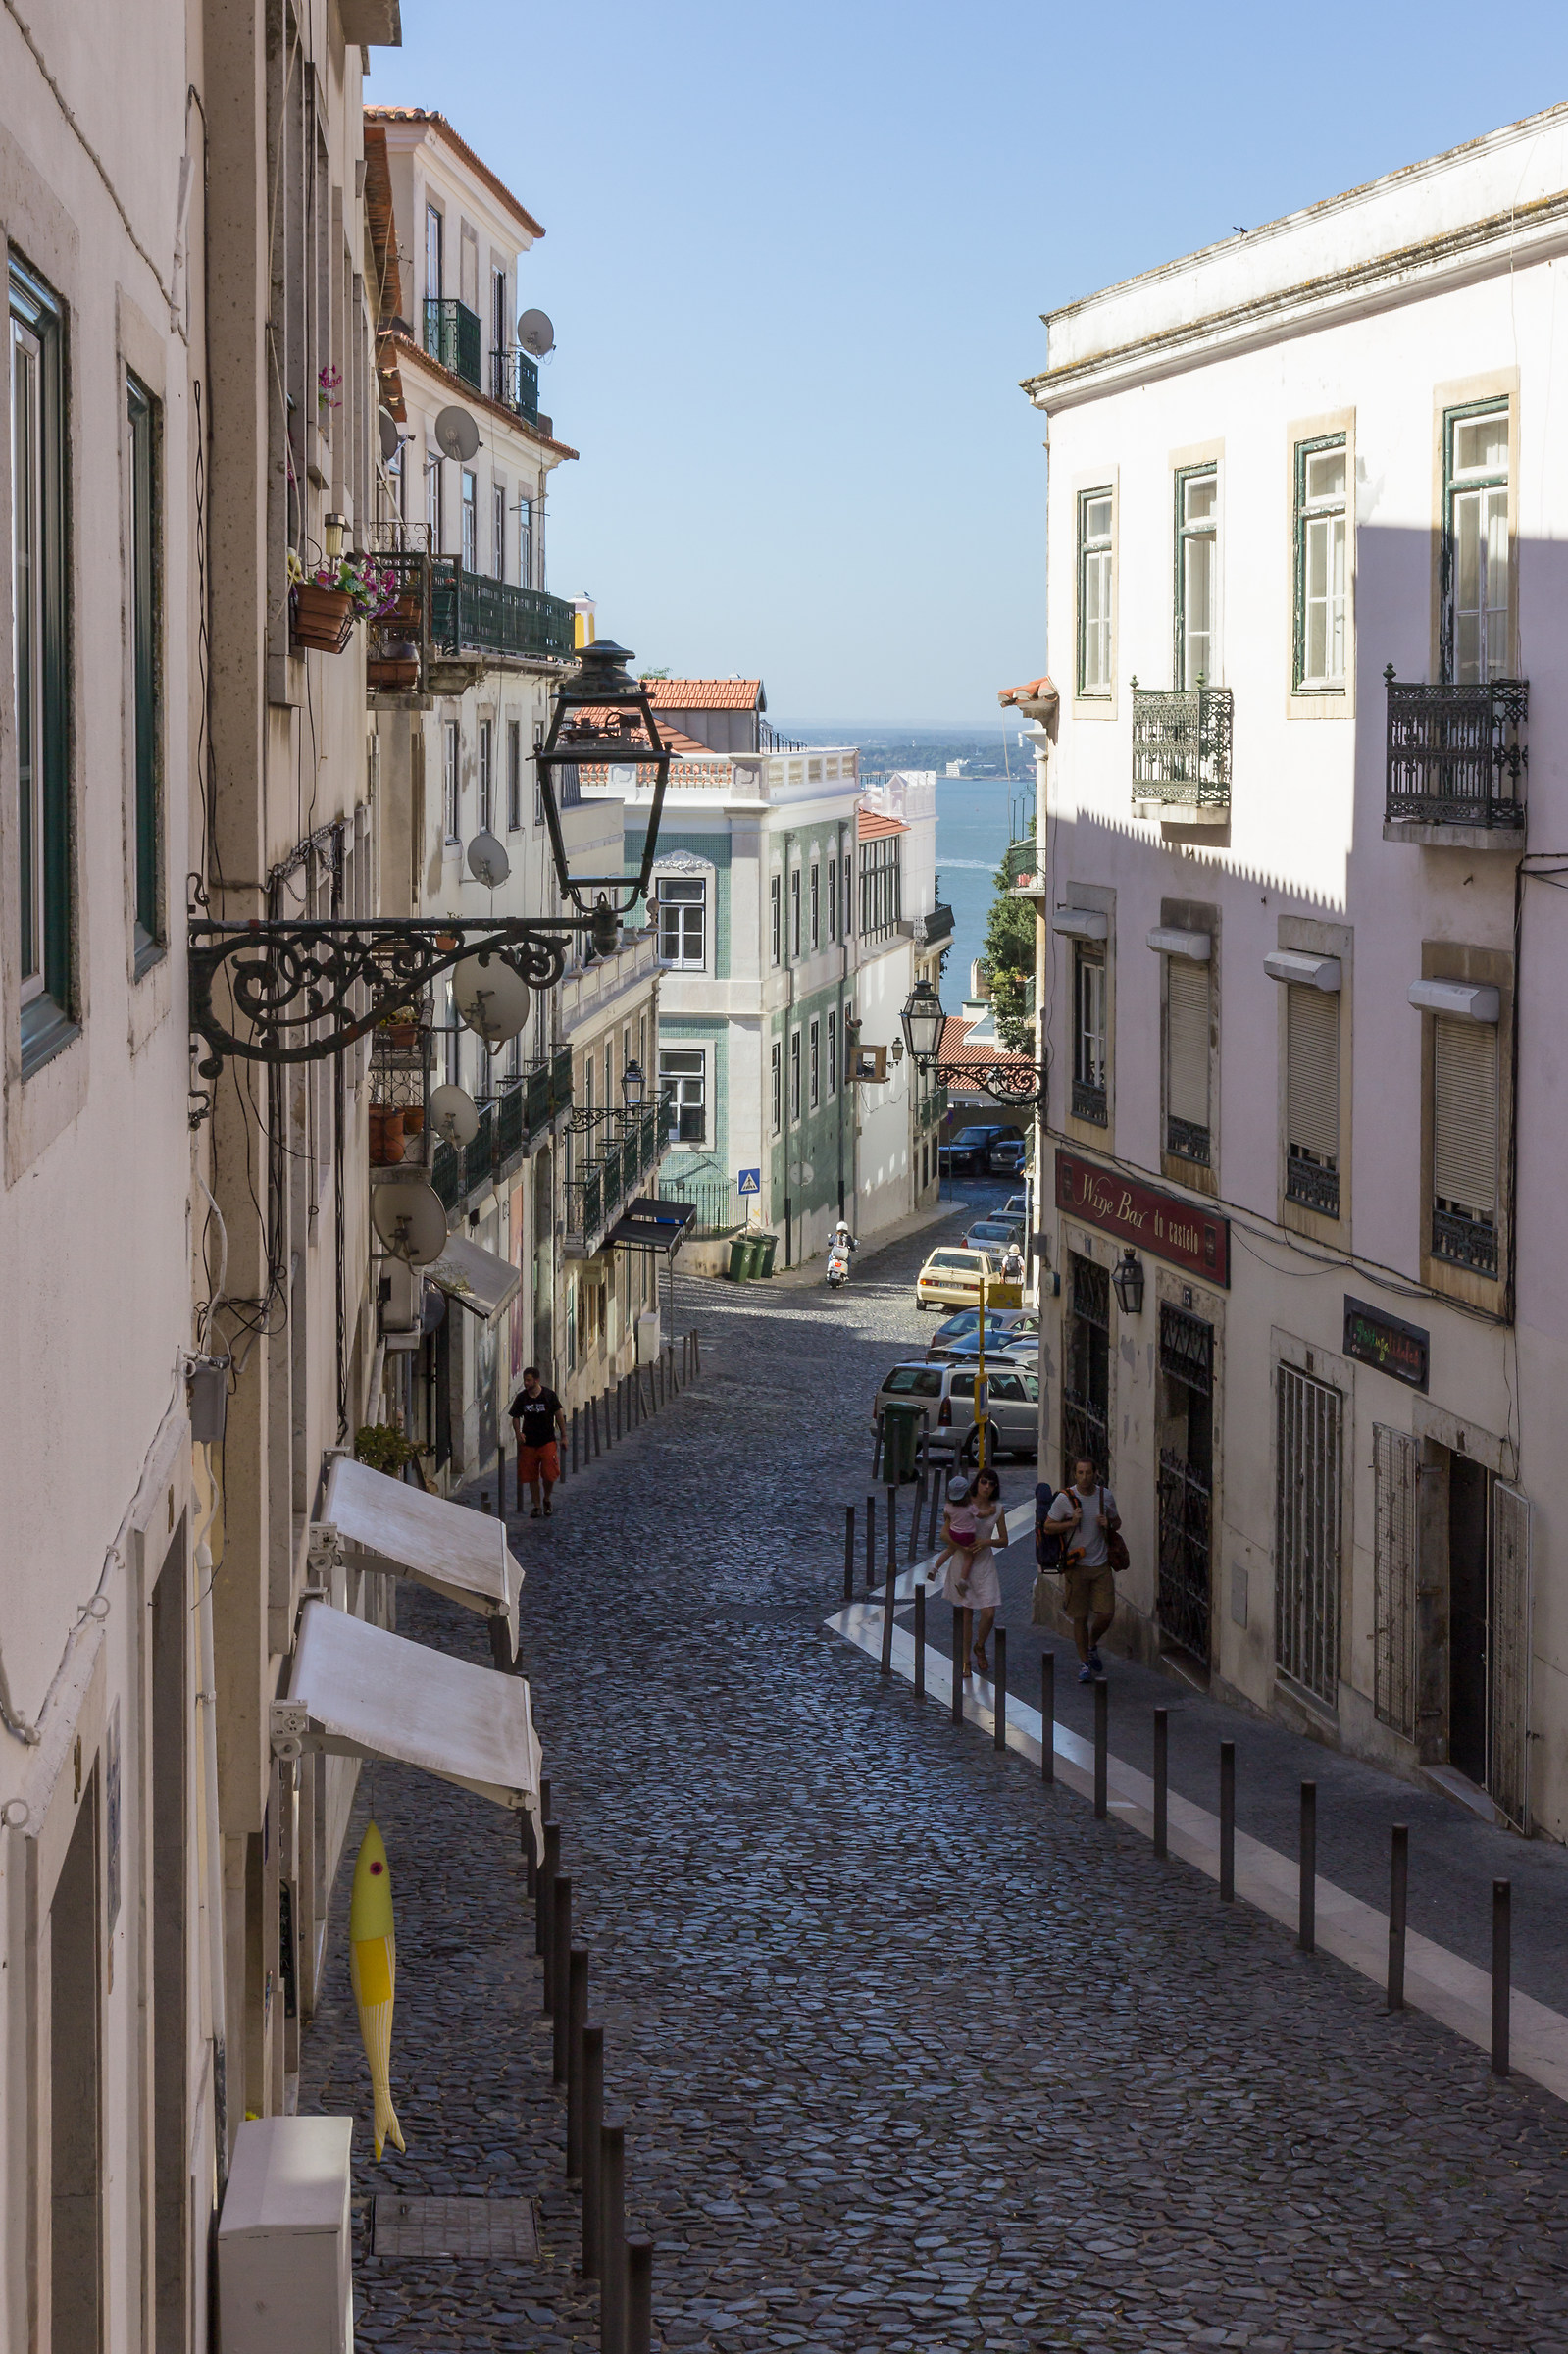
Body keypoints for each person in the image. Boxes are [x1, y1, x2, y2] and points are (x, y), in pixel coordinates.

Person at [1045, 1457, 1121, 1683]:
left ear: (1095, 1473)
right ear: (1075, 1474)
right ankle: (1084, 1663)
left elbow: (1117, 1523)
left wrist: (1109, 1523)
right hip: (1076, 1566)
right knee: (1079, 1617)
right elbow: (1048, 1527)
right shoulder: (1064, 1499)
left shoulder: (1104, 1496)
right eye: (1080, 1473)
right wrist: (1070, 1523)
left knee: (1106, 1613)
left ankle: (1091, 1643)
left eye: (1088, 1473)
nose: (1085, 1477)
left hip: (1100, 1565)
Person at [945, 1465, 1008, 1677]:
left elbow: (1004, 1540)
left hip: (985, 1564)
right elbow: (945, 1534)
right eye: (983, 1482)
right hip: (964, 1562)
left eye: (991, 1484)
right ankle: (966, 1662)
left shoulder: (997, 1509)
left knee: (989, 1613)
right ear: (977, 1482)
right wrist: (962, 1547)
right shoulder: (963, 1503)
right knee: (966, 1613)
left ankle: (979, 1646)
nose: (986, 1487)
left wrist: (986, 1541)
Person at [508, 1366, 566, 1518]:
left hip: (547, 1440)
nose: (526, 1383)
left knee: (549, 1474)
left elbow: (558, 1414)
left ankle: (546, 1498)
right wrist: (518, 1433)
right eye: (524, 1380)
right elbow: (515, 1416)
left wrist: (564, 1436)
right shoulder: (522, 1398)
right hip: (529, 1443)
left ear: (536, 1380)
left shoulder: (549, 1395)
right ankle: (537, 1505)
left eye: (528, 1380)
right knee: (531, 1476)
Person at [931, 1474, 980, 1587]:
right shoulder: (970, 1507)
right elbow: (979, 1515)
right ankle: (963, 1580)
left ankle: (935, 1568)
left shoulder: (948, 1507)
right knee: (969, 1556)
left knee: (949, 1550)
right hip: (967, 1536)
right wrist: (989, 1512)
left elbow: (946, 1518)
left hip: (953, 1534)